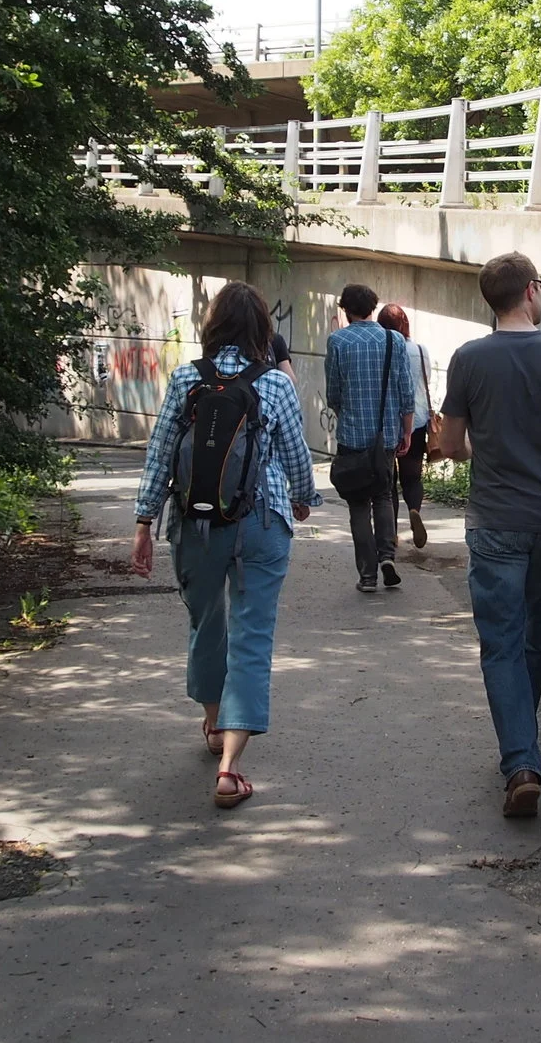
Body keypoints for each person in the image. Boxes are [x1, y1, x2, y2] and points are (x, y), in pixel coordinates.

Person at [431, 253, 541, 819]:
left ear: (493, 299)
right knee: (535, 629)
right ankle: (522, 746)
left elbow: (452, 446)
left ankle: (521, 760)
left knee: (501, 641)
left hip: (495, 522)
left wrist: (473, 445)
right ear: (533, 292)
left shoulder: (468, 360)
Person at [130, 281, 320, 809]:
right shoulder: (276, 385)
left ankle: (213, 722)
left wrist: (144, 522)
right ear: (263, 329)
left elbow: (161, 453)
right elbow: (296, 458)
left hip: (196, 523)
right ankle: (230, 768)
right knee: (253, 631)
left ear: (212, 328)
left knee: (206, 621)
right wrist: (302, 499)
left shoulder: (187, 378)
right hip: (262, 522)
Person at [324, 283, 415, 591]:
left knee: (358, 504)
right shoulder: (393, 340)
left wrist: (345, 413)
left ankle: (367, 574)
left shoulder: (337, 341)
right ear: (373, 308)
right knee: (384, 494)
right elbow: (406, 390)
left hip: (352, 436)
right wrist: (406, 430)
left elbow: (334, 391)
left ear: (345, 310)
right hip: (386, 435)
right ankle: (387, 556)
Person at [376, 303, 436, 550]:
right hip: (418, 420)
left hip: (388, 422)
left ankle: (391, 533)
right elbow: (426, 379)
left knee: (388, 482)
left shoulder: (380, 350)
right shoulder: (420, 350)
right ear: (406, 325)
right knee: (412, 477)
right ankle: (414, 510)